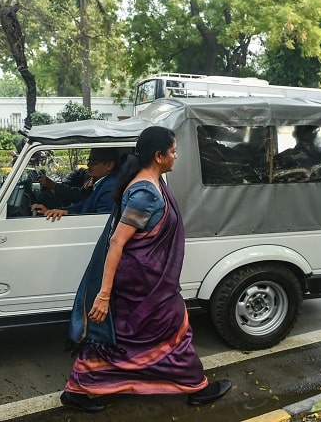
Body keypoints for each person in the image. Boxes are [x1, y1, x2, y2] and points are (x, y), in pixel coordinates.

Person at [60, 126, 231, 413]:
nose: (177, 156)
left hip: (146, 281)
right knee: (175, 327)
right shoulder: (145, 194)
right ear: (159, 156)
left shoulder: (151, 181)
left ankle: (78, 387)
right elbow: (117, 242)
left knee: (128, 339)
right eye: (173, 151)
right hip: (142, 285)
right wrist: (103, 295)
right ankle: (196, 386)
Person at [31, 148, 120, 219]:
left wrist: (67, 214)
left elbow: (100, 221)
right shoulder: (101, 182)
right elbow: (84, 205)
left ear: (109, 165)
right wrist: (53, 211)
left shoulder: (110, 188)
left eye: (93, 161)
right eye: (89, 160)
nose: (88, 165)